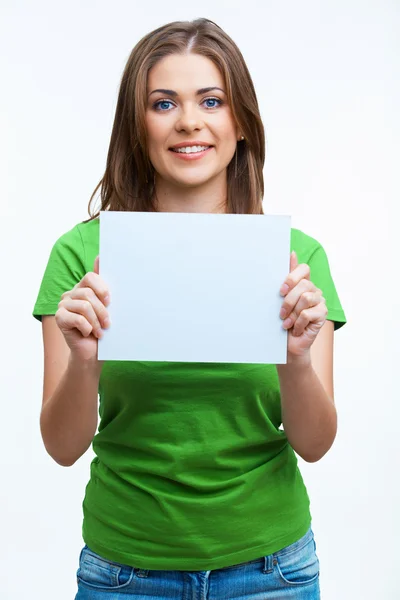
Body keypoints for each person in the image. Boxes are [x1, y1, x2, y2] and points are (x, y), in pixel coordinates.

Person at [32, 18, 346, 600]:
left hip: (272, 571)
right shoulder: (80, 255)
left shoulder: (296, 260)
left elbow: (316, 443)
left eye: (211, 100)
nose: (189, 121)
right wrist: (84, 360)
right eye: (163, 103)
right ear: (138, 125)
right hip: (123, 572)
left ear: (241, 122)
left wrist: (296, 359)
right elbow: (61, 445)